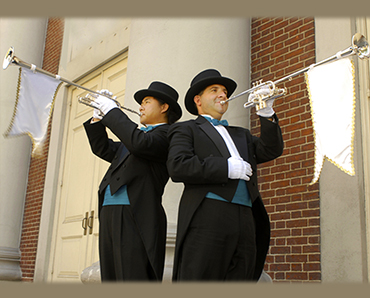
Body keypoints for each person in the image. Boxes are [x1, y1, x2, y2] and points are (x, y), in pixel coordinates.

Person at [167, 69, 284, 281]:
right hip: (208, 216)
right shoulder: (186, 129)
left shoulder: (242, 134)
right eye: (214, 90)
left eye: (224, 91)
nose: (223, 95)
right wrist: (225, 168)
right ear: (198, 100)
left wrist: (266, 112)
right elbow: (178, 166)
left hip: (246, 218)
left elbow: (271, 150)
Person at [83, 81, 182, 281]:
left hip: (135, 215)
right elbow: (102, 148)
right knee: (110, 276)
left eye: (146, 101)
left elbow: (139, 143)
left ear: (164, 107)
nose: (140, 107)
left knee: (132, 277)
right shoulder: (137, 138)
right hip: (110, 211)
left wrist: (112, 111)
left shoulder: (169, 135)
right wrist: (98, 117)